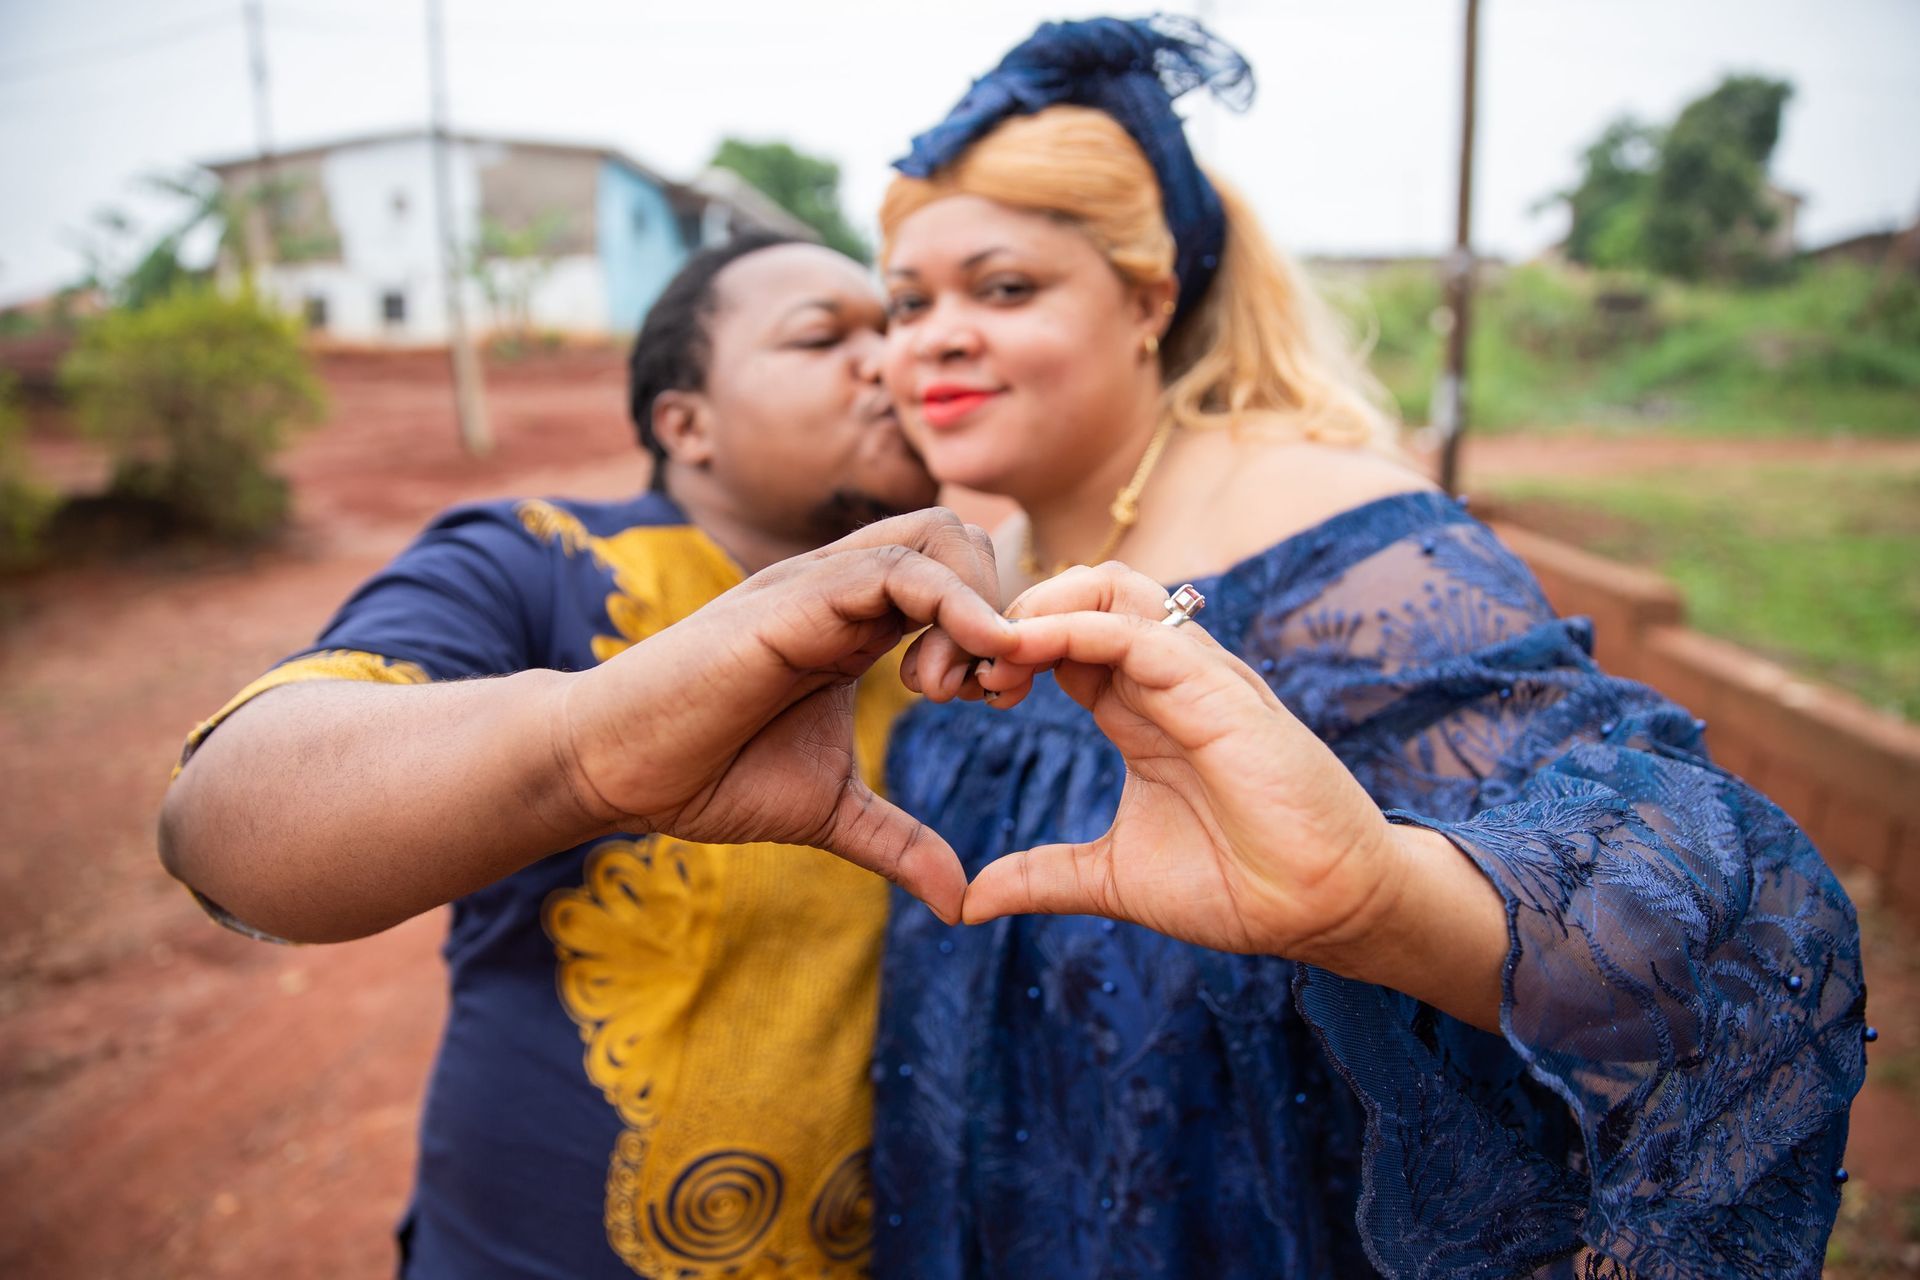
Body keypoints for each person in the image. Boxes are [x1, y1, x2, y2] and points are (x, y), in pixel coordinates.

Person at [869, 17, 1866, 1278]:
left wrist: (1387, 896)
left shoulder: (1327, 525)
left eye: (1003, 287)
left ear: (1148, 298)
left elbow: (1715, 914)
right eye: (906, 303)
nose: (934, 336)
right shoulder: (967, 557)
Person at [159, 233, 1019, 1279]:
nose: (889, 359)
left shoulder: (965, 620)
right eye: (823, 336)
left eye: (893, 329)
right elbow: (225, 819)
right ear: (685, 423)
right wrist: (584, 751)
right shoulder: (538, 559)